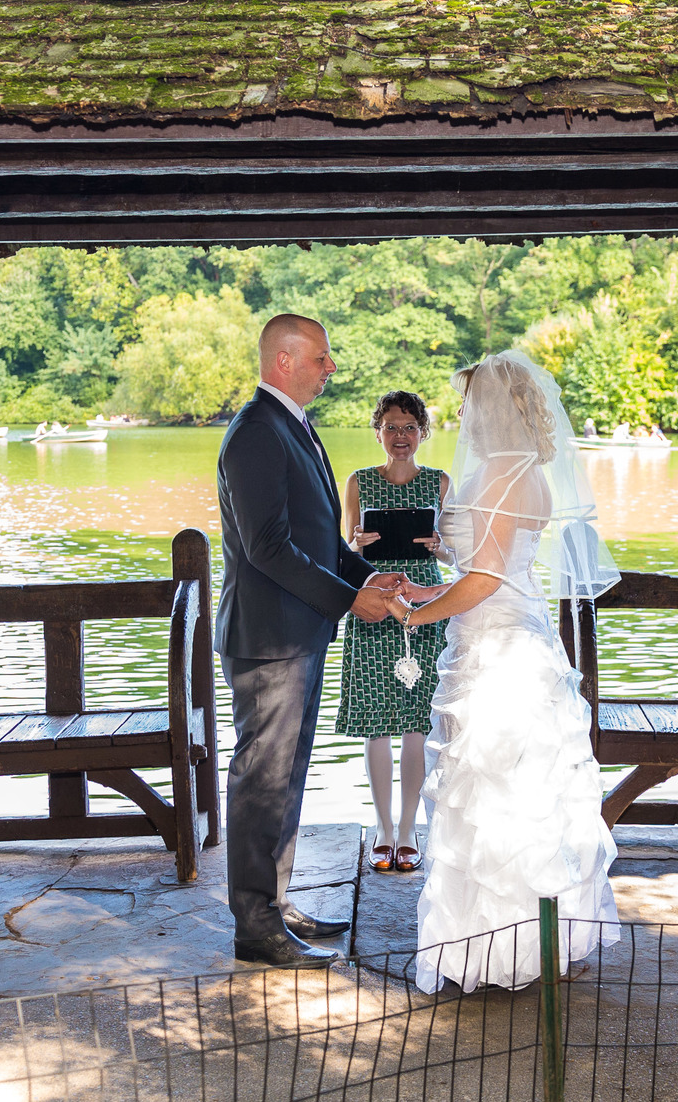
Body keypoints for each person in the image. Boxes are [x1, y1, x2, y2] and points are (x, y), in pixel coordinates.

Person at [388, 351, 622, 992]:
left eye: (467, 403)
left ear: (491, 406)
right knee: (525, 793)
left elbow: (487, 579)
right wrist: (429, 581)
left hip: (500, 649)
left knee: (493, 792)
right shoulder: (529, 471)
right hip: (515, 636)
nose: (461, 414)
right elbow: (487, 562)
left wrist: (420, 613)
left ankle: (494, 950)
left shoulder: (500, 473)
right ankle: (536, 941)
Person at [215, 313, 409, 969]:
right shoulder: (253, 435)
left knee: (289, 775)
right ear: (285, 361)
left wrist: (364, 574)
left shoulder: (295, 427)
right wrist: (352, 599)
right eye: (322, 359)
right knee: (261, 780)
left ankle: (274, 899)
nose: (332, 369)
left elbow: (319, 539)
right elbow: (270, 547)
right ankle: (254, 925)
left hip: (300, 632)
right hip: (268, 638)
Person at [338, 391, 450, 876]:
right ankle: (383, 831)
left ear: (422, 432)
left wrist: (440, 546)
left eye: (409, 427)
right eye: (391, 426)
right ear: (378, 432)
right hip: (373, 605)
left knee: (416, 725)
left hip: (424, 606)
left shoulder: (440, 482)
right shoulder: (359, 482)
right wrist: (354, 542)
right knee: (376, 721)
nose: (400, 436)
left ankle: (409, 833)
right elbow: (342, 553)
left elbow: (456, 559)